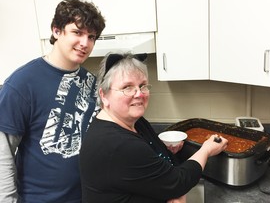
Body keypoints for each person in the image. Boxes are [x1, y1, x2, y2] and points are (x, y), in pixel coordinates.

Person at [79, 52, 228, 203]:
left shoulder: (135, 122)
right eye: (127, 87)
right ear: (104, 95)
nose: (139, 94)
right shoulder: (118, 144)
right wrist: (206, 150)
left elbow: (159, 171)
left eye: (143, 85)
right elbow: (178, 182)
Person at [0, 0, 105, 202]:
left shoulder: (92, 83)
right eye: (77, 32)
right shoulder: (22, 83)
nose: (85, 43)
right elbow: (2, 152)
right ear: (56, 31)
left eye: (91, 37)